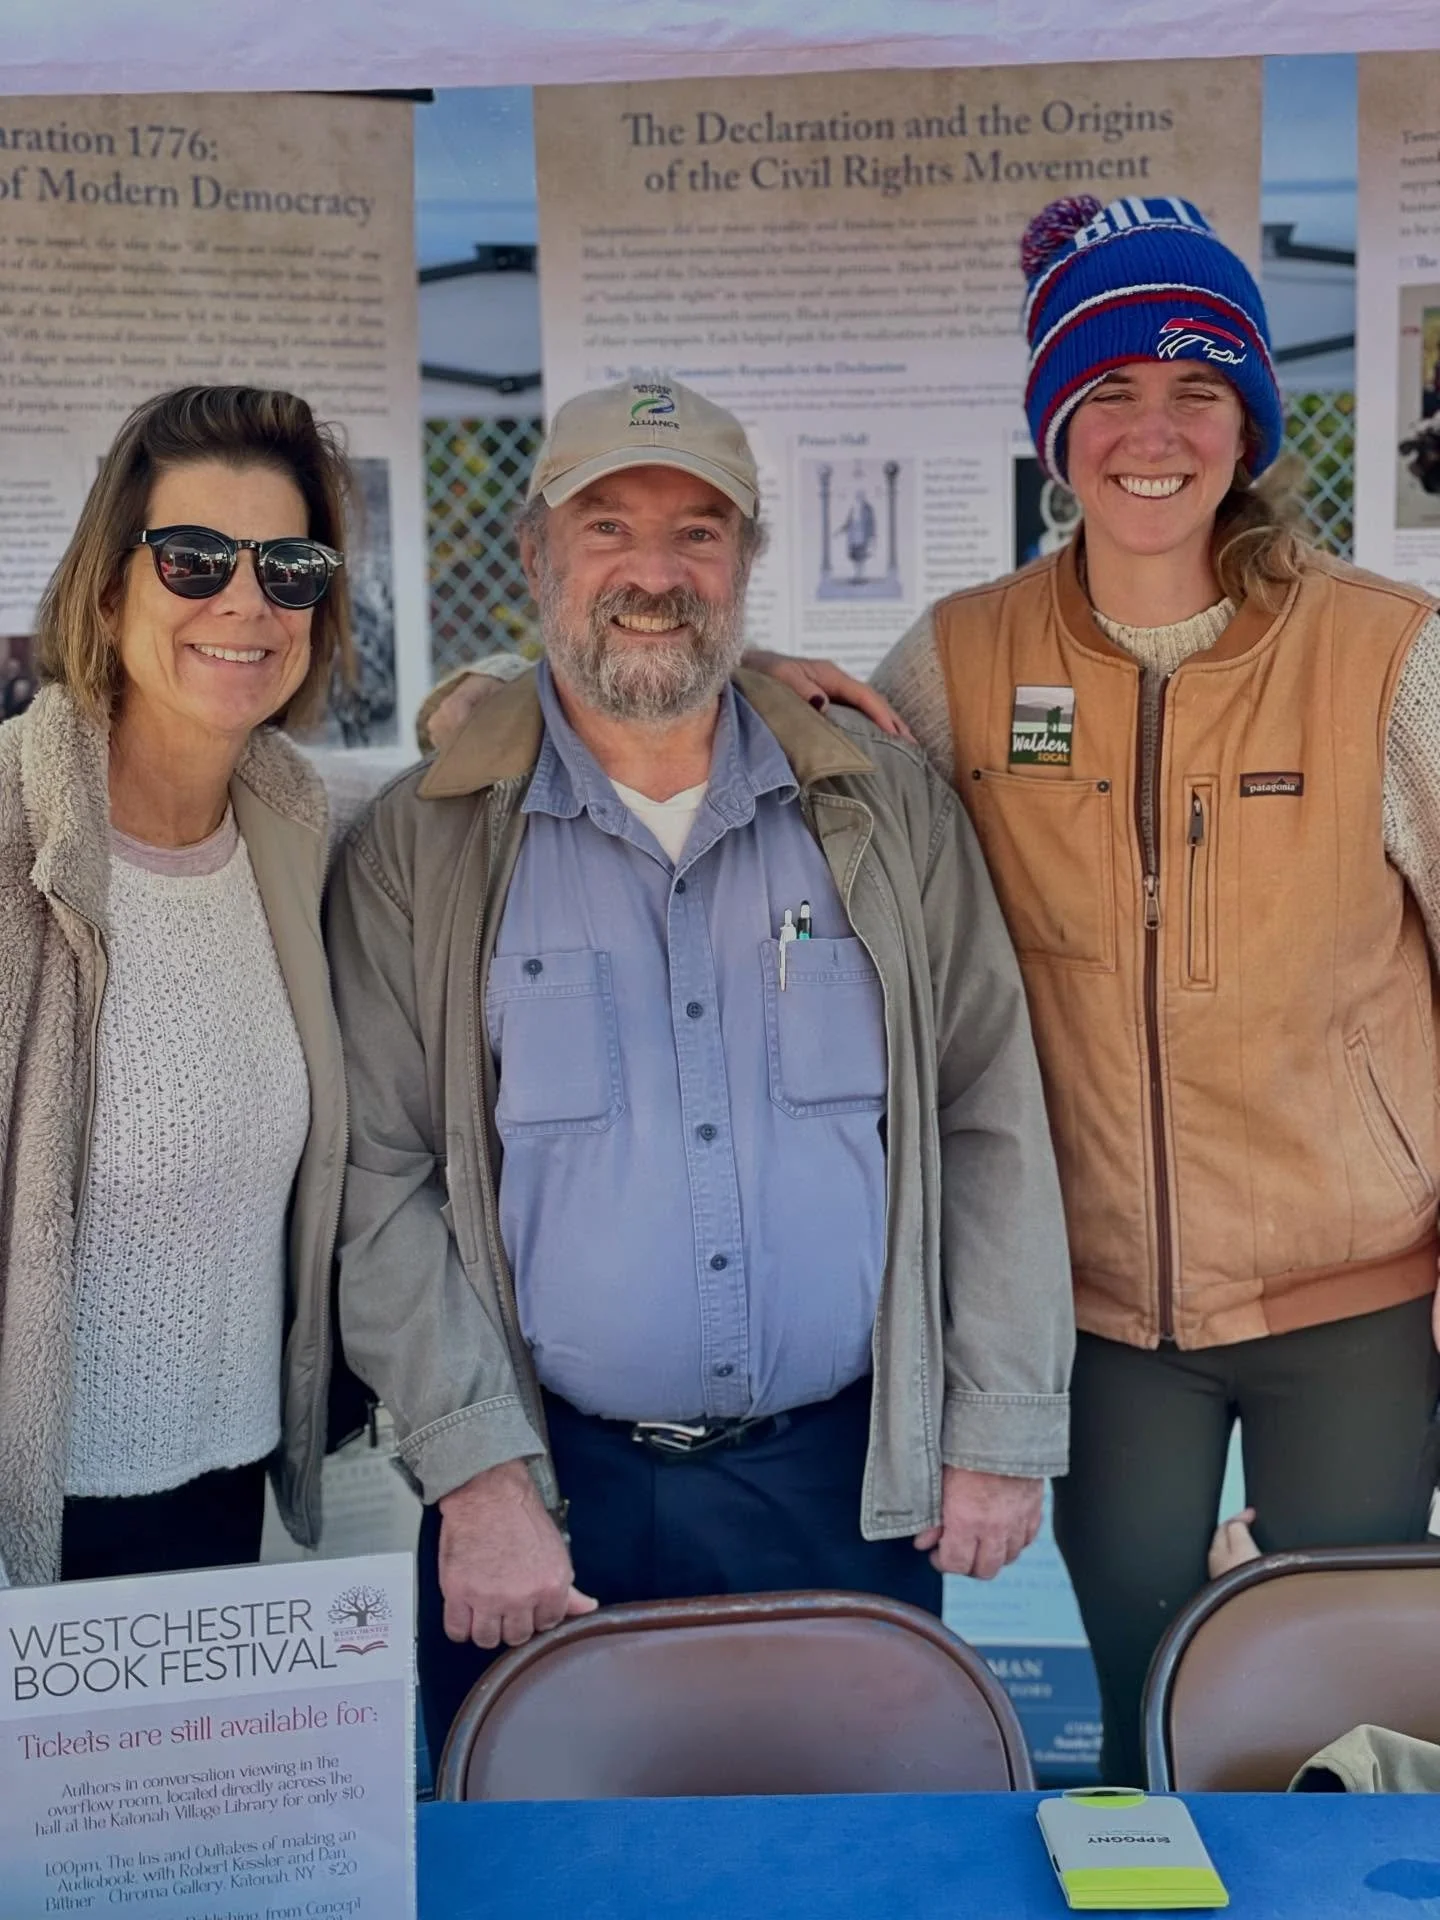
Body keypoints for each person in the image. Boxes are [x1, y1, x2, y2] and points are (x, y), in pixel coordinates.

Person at [737, 193, 1440, 1783]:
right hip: (1100, 1304)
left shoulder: (1383, 652)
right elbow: (838, 807)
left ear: (1248, 423)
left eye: (1198, 391)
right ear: (1055, 429)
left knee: (1344, 1695)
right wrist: (745, 683)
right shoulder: (965, 654)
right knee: (1142, 1676)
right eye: (1108, 391)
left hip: (1358, 1289)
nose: (1154, 433)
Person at [328, 377, 1074, 1760]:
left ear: (748, 563)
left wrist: (1002, 1419)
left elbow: (988, 1115)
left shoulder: (882, 803)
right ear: (536, 556)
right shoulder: (417, 849)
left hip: (850, 1491)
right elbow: (378, 1180)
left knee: (869, 1875)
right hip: (554, 1502)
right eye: (607, 528)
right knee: (563, 1886)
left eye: (700, 533)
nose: (655, 573)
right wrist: (476, 1476)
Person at [0, 385, 352, 1588]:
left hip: (227, 1493)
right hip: (33, 1524)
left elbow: (492, 740)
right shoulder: (13, 829)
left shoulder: (296, 818)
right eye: (194, 557)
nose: (245, 601)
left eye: (291, 565)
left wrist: (736, 671)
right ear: (109, 584)